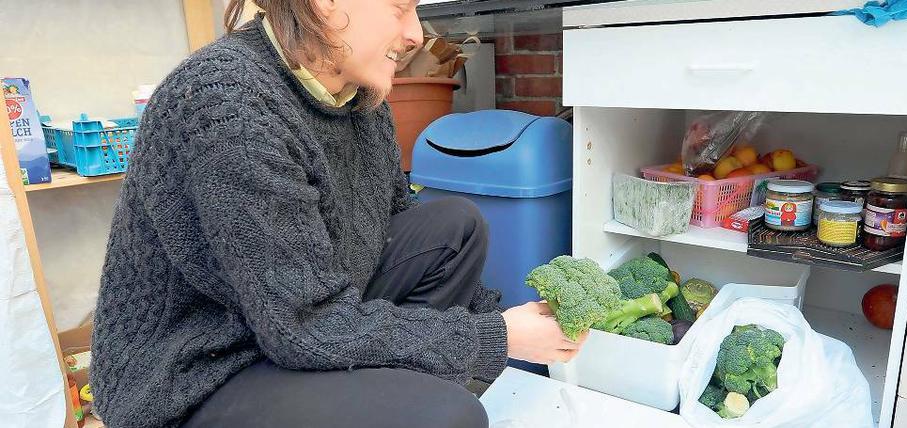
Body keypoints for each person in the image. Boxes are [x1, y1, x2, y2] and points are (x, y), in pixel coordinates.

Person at [89, 1, 587, 427]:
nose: (416, 33)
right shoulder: (228, 105)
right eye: (399, 6)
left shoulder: (359, 96)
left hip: (287, 320)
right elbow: (303, 327)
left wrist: (493, 317)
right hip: (201, 367)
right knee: (448, 416)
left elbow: (393, 221)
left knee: (455, 226)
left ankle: (380, 393)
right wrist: (494, 338)